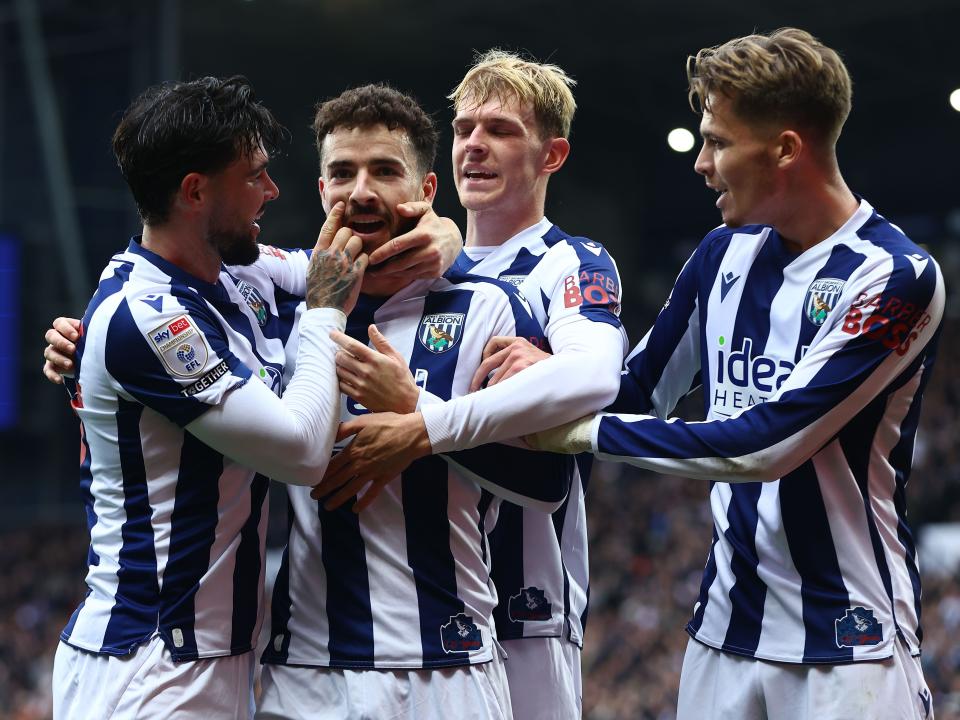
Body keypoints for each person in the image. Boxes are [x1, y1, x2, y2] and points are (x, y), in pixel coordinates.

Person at [529, 28, 944, 719]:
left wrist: (579, 432)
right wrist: (538, 381)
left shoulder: (894, 277)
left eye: (717, 142)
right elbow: (636, 391)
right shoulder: (721, 253)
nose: (701, 163)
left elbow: (763, 445)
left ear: (785, 149)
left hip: (848, 648)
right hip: (722, 638)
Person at [316, 51, 627, 719]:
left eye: (501, 130)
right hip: (405, 603)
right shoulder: (395, 265)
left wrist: (420, 416)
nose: (476, 146)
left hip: (526, 594)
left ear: (552, 156)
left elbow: (597, 374)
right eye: (463, 129)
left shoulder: (566, 262)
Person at [51, 76, 369, 719]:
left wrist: (447, 236)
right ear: (195, 191)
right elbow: (303, 454)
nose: (272, 192)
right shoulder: (147, 316)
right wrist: (324, 315)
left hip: (207, 662)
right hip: (149, 666)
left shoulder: (236, 273)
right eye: (254, 176)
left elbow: (357, 263)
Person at [254, 84, 569, 720]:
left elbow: (548, 481)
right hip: (304, 672)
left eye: (384, 171)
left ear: (426, 193)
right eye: (342, 173)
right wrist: (81, 341)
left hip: (448, 666)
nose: (361, 192)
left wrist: (421, 423)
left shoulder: (489, 307)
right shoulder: (280, 310)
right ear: (321, 193)